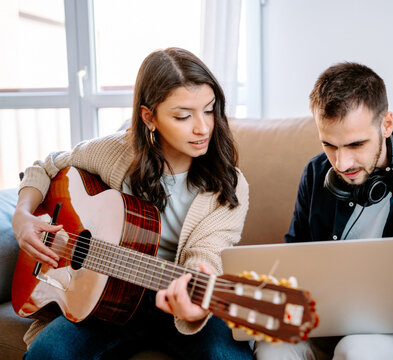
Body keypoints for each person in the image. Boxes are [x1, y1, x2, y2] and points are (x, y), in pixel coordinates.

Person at [12, 47, 253, 359]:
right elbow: (47, 166)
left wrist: (194, 301)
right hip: (109, 302)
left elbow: (207, 253)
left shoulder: (229, 184)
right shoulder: (114, 153)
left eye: (209, 110)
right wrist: (22, 215)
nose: (203, 127)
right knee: (48, 353)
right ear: (148, 117)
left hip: (181, 303)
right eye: (183, 116)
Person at [255, 62, 393, 359]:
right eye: (329, 145)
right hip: (322, 318)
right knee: (273, 349)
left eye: (355, 144)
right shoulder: (315, 173)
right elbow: (295, 258)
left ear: (387, 125)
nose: (342, 163)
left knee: (357, 350)